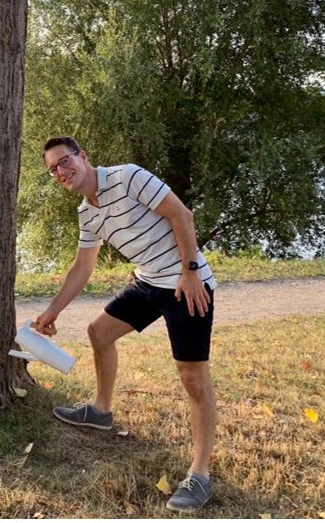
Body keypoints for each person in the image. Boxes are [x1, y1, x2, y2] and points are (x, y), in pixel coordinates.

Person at [33, 137, 217, 514]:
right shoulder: (88, 213)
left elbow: (182, 215)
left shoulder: (128, 177)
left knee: (193, 379)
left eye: (65, 161)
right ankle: (100, 411)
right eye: (53, 169)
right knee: (98, 332)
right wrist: (52, 312)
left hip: (187, 284)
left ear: (84, 157)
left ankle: (200, 475)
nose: (61, 171)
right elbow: (82, 268)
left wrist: (192, 271)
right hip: (148, 283)